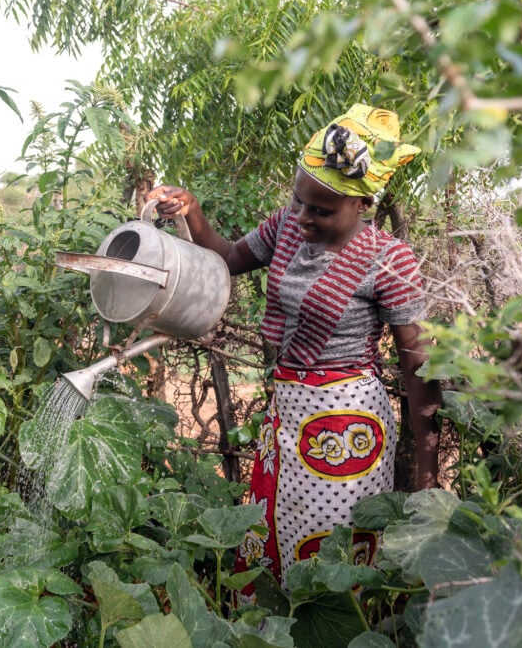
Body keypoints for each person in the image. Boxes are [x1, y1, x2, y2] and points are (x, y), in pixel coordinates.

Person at [152, 103, 442, 597]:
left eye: (321, 211)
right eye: (299, 201)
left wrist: (428, 473)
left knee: (329, 563)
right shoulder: (286, 226)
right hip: (285, 415)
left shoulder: (389, 259)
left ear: (363, 203)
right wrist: (192, 209)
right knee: (278, 539)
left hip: (346, 429)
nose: (303, 217)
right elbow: (227, 257)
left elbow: (418, 366)